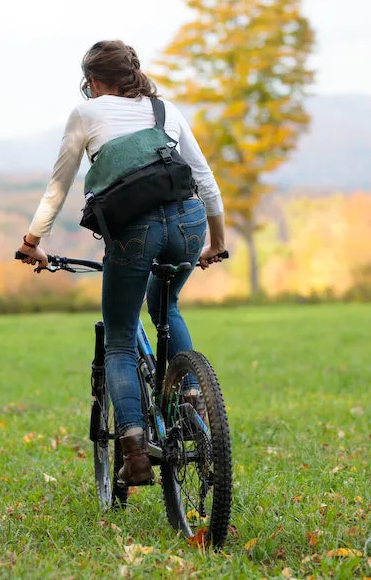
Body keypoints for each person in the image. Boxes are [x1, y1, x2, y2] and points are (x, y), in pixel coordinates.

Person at [16, 40, 226, 486]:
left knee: (118, 339)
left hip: (134, 231)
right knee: (167, 307)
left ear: (93, 81)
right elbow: (204, 178)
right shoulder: (164, 110)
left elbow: (58, 187)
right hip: (190, 225)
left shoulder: (85, 114)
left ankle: (133, 446)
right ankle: (190, 395)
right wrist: (217, 242)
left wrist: (34, 241)